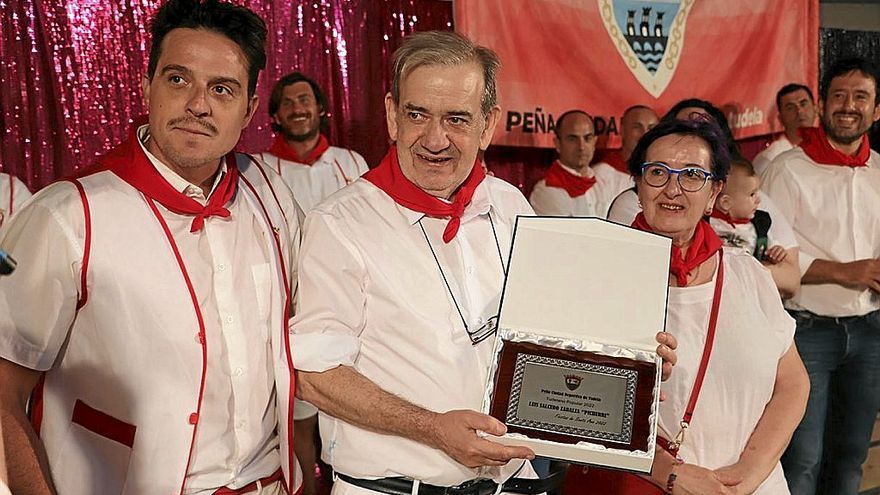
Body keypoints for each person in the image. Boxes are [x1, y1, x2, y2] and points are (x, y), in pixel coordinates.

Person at [290, 31, 677, 495]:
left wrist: (626, 362)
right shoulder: (339, 224)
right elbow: (316, 376)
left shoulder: (509, 204)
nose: (435, 139)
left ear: (488, 125)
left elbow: (551, 331)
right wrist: (433, 428)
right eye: (417, 115)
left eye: (456, 119)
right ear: (392, 116)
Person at [0, 1, 303, 493]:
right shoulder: (68, 216)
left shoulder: (272, 196)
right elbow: (3, 391)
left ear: (249, 108)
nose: (198, 105)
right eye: (178, 80)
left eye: (222, 89)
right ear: (147, 87)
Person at [581, 118, 810, 494]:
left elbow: (793, 383)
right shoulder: (602, 280)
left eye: (691, 175)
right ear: (637, 186)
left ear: (714, 192)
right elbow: (574, 407)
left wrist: (747, 475)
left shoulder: (747, 273)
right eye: (657, 172)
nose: (673, 189)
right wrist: (669, 473)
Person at [763, 57, 880, 495]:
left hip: (871, 330)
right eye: (839, 96)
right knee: (803, 458)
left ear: (876, 110)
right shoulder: (786, 169)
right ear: (823, 105)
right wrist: (848, 271)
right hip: (807, 331)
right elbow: (770, 257)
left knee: (852, 453)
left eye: (860, 97)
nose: (848, 106)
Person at [259, 72, 368, 213]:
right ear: (276, 117)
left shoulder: (352, 161)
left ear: (320, 109)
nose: (297, 110)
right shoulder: (260, 167)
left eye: (304, 100)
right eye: (287, 103)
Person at [709, 158, 800, 298]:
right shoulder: (706, 223)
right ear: (726, 203)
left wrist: (775, 255)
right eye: (752, 194)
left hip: (749, 295)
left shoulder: (760, 226)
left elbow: (771, 255)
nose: (758, 199)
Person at [529, 110, 631, 217]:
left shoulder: (605, 184)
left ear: (594, 142)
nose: (581, 147)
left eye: (587, 138)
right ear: (558, 143)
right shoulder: (546, 190)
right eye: (572, 139)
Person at [753, 84, 817, 177]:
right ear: (780, 118)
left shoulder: (830, 148)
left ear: (816, 108)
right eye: (790, 108)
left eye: (803, 104)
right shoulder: (771, 157)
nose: (799, 111)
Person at [593, 105, 659, 174]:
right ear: (622, 130)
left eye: (651, 128)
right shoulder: (605, 170)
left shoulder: (664, 166)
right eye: (637, 127)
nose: (645, 133)